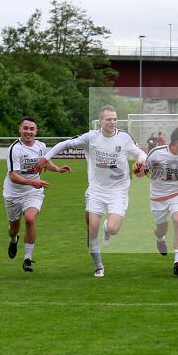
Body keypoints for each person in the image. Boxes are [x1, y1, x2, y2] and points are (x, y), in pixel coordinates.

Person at [39, 105, 146, 278]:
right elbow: (65, 144)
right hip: (96, 191)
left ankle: (107, 229)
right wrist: (46, 158)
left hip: (118, 191)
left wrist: (141, 161)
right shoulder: (91, 137)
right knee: (92, 229)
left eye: (115, 119)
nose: (113, 122)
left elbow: (141, 153)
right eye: (109, 119)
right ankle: (99, 266)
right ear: (100, 121)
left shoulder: (124, 137)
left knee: (113, 229)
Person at [3, 116, 71, 272]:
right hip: (13, 193)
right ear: (20, 129)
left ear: (36, 131)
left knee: (30, 218)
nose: (28, 132)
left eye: (31, 129)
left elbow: (44, 162)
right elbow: (13, 176)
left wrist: (58, 169)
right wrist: (33, 182)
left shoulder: (41, 146)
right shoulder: (15, 149)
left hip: (33, 191)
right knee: (14, 228)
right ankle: (13, 240)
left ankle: (27, 258)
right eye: (25, 128)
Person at [137, 125, 178, 276]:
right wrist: (137, 168)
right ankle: (160, 238)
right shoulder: (156, 153)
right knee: (161, 228)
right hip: (158, 197)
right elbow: (141, 174)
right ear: (177, 142)